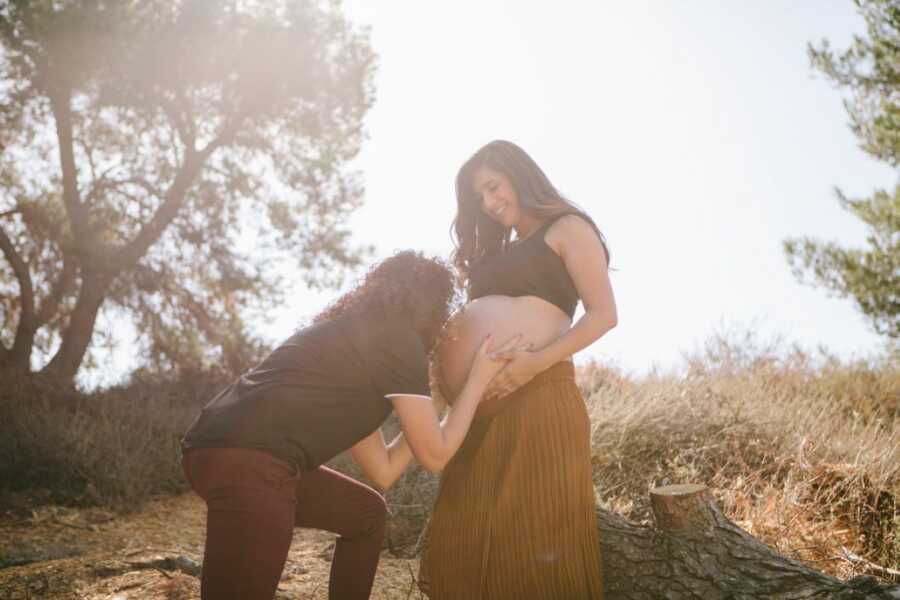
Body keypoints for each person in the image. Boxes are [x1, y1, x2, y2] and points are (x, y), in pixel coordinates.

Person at [180, 250, 524, 600]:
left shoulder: (351, 350)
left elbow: (384, 469)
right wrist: (478, 379)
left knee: (365, 514)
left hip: (221, 452)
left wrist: (435, 402)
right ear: (431, 307)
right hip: (251, 461)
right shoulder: (398, 340)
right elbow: (436, 456)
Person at [420, 140, 617, 599]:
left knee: (531, 542)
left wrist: (534, 364)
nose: (489, 203)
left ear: (519, 174)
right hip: (477, 411)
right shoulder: (494, 253)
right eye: (479, 199)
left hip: (538, 394)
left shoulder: (567, 228)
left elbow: (604, 315)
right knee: (461, 538)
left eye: (493, 187)